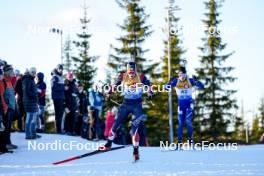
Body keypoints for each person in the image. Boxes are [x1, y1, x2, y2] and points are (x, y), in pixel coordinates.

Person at [99, 62, 153, 162]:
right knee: (116, 125)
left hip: (137, 105)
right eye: (129, 72)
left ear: (135, 70)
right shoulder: (123, 76)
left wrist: (150, 92)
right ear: (127, 71)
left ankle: (136, 151)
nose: (131, 74)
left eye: (133, 72)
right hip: (125, 104)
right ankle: (108, 144)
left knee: (134, 129)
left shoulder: (141, 77)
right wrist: (109, 92)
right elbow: (115, 85)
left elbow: (149, 84)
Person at [166, 66, 204, 147]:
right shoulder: (176, 81)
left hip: (189, 105)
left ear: (185, 74)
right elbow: (166, 88)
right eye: (180, 75)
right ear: (178, 75)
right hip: (181, 106)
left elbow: (202, 86)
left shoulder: (190, 80)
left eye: (183, 75)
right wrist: (169, 82)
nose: (181, 76)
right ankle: (179, 141)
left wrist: (197, 81)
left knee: (188, 122)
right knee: (180, 124)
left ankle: (190, 140)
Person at [22, 67, 40, 140]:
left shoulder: (32, 80)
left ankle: (33, 133)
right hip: (28, 101)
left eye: (35, 72)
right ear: (29, 72)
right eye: (32, 72)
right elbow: (27, 91)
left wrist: (35, 97)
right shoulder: (27, 79)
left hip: (33, 101)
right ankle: (28, 134)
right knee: (29, 118)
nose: (34, 73)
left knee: (34, 118)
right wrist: (34, 96)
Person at [3, 64, 17, 149]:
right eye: (12, 71)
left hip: (11, 107)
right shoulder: (4, 81)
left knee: (8, 127)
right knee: (6, 127)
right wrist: (6, 106)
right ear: (7, 72)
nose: (13, 73)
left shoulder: (9, 81)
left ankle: (8, 142)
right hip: (7, 108)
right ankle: (6, 144)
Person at [51, 64, 65, 134]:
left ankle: (60, 129)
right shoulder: (55, 77)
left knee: (61, 113)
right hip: (56, 97)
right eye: (60, 69)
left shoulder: (60, 77)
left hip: (61, 97)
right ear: (57, 69)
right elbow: (54, 87)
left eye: (62, 69)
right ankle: (58, 130)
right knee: (58, 113)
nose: (61, 70)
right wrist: (63, 88)